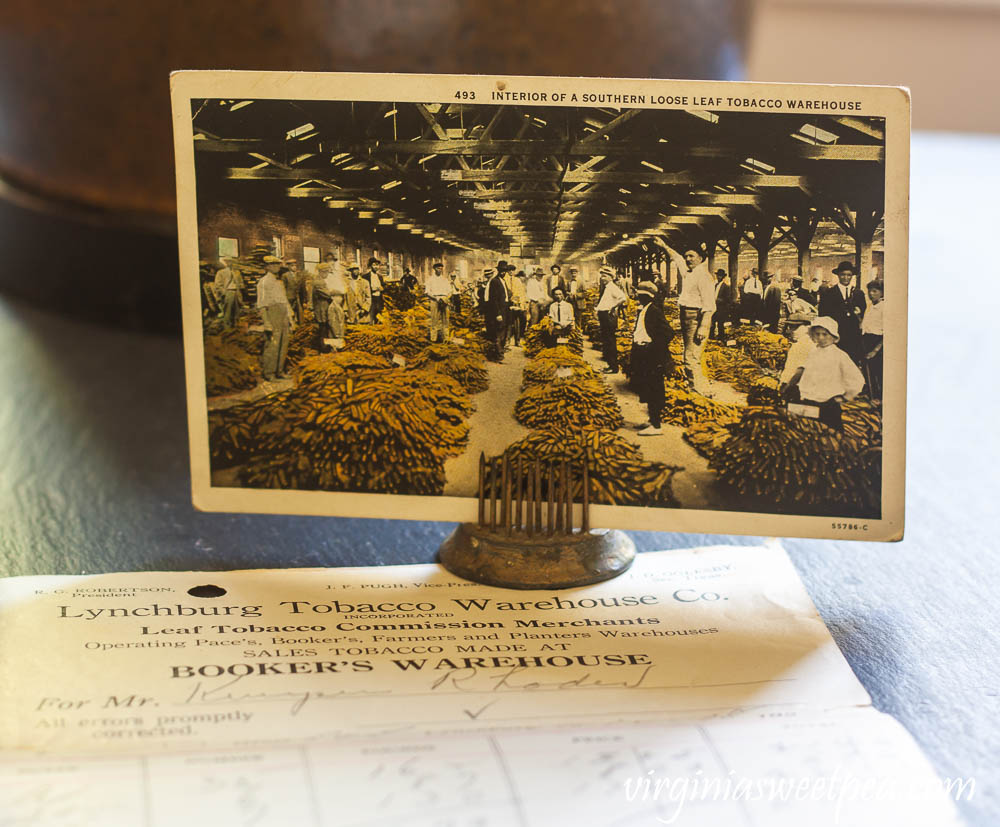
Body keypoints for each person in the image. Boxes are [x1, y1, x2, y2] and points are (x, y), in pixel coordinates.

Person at [655, 237, 716, 396]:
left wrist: (703, 326)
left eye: (692, 256)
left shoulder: (704, 276)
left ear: (700, 259)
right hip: (686, 316)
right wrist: (664, 246)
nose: (688, 259)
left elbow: (709, 305)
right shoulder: (689, 272)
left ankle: (698, 391)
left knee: (691, 356)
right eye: (687, 256)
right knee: (690, 355)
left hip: (696, 318)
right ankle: (697, 387)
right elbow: (677, 258)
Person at [781, 317, 864, 431]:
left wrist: (844, 397)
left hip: (828, 404)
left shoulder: (839, 355)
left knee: (829, 434)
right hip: (809, 400)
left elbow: (856, 378)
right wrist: (792, 385)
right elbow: (804, 370)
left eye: (825, 334)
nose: (821, 338)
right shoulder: (814, 352)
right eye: (818, 334)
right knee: (811, 433)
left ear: (833, 336)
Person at [630, 281, 673, 436]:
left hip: (652, 356)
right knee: (646, 387)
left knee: (654, 389)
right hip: (643, 354)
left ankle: (656, 425)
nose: (637, 297)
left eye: (640, 295)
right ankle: (651, 419)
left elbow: (668, 333)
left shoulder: (654, 310)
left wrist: (653, 348)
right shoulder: (644, 310)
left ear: (646, 297)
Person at [818, 261, 866, 364]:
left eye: (849, 275)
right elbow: (822, 315)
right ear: (838, 275)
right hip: (836, 334)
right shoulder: (829, 293)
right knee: (836, 362)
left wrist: (858, 314)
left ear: (852, 276)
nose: (846, 278)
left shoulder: (858, 293)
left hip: (854, 336)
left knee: (852, 363)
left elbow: (863, 313)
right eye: (843, 275)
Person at [256, 255, 295, 380]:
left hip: (282, 313)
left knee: (283, 343)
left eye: (277, 264)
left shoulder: (279, 282)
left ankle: (280, 371)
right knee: (273, 343)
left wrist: (290, 318)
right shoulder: (263, 282)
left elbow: (284, 301)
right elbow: (261, 304)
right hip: (272, 313)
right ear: (267, 266)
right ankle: (269, 373)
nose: (276, 267)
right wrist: (266, 322)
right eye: (273, 264)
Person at [595, 265, 627, 373]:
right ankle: (610, 365)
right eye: (601, 276)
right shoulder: (607, 287)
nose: (602, 278)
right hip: (604, 316)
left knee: (610, 341)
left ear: (610, 277)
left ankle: (613, 367)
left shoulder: (612, 287)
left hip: (608, 317)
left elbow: (623, 298)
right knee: (607, 341)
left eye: (604, 276)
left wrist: (613, 307)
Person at [861, 279, 884, 400]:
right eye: (869, 291)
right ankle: (872, 396)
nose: (871, 294)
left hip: (877, 343)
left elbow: (888, 333)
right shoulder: (870, 306)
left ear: (882, 292)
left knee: (878, 373)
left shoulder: (884, 307)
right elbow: (866, 325)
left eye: (875, 291)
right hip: (867, 340)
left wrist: (875, 350)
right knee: (869, 372)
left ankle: (880, 399)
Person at [484, 263, 511, 361]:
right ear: (498, 271)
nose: (503, 273)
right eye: (502, 271)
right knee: (499, 332)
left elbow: (505, 296)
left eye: (505, 271)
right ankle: (498, 355)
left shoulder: (503, 281)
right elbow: (493, 299)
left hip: (506, 309)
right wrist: (497, 314)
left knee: (504, 332)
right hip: (499, 310)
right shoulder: (495, 281)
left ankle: (500, 352)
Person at [425, 262, 453, 343]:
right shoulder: (430, 279)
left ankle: (446, 338)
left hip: (444, 299)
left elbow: (450, 291)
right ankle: (433, 339)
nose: (440, 270)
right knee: (434, 320)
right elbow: (427, 292)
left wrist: (446, 298)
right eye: (438, 268)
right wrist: (436, 298)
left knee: (446, 320)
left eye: (441, 268)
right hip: (434, 299)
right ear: (434, 269)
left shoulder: (445, 279)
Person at [213, 258, 243, 329]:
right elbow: (218, 284)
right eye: (228, 262)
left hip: (236, 292)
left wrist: (240, 288)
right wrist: (224, 293)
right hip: (228, 292)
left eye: (231, 262)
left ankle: (235, 328)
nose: (230, 263)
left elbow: (241, 283)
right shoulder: (221, 272)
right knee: (228, 312)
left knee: (236, 311)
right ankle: (227, 328)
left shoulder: (237, 272)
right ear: (225, 263)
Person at [506, 269, 528, 346]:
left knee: (517, 323)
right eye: (509, 271)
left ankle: (517, 341)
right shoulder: (505, 279)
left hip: (516, 304)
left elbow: (521, 292)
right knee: (508, 322)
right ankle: (507, 340)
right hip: (508, 304)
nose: (511, 272)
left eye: (512, 270)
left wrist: (521, 303)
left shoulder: (517, 280)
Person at [711, 269, 732, 340]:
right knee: (712, 323)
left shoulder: (726, 287)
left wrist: (719, 300)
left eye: (720, 276)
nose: (718, 277)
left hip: (721, 308)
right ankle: (711, 337)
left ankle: (721, 337)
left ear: (723, 277)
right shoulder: (715, 285)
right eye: (717, 275)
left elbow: (728, 299)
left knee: (720, 324)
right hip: (714, 307)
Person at [365, 257, 384, 323]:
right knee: (370, 318)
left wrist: (382, 289)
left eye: (377, 265)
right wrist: (374, 289)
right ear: (370, 266)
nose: (376, 267)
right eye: (374, 265)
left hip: (379, 299)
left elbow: (383, 287)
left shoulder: (380, 277)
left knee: (379, 319)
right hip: (371, 299)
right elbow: (365, 289)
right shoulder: (366, 276)